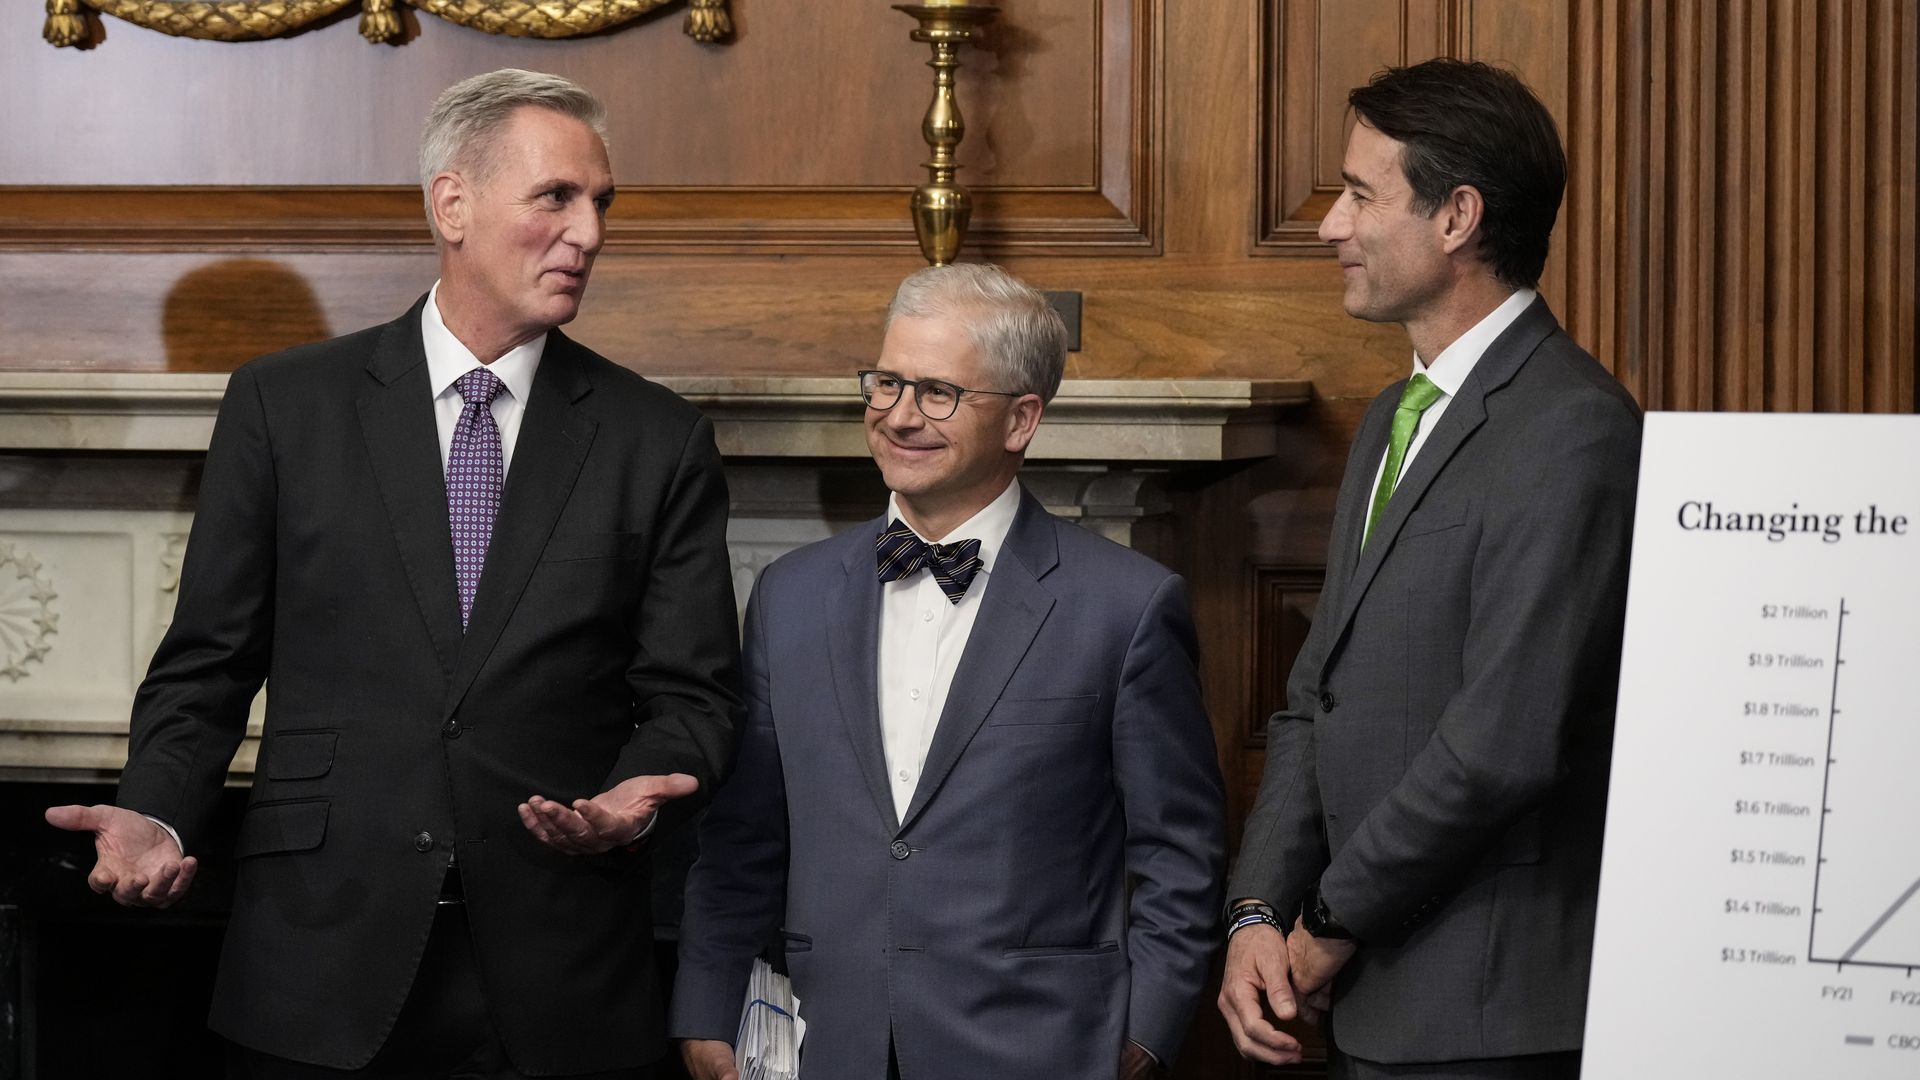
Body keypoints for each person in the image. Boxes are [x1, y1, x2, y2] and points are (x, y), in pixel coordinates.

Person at [45, 68, 742, 1079]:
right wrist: (157, 813)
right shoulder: (286, 407)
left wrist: (633, 791)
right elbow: (207, 663)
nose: (589, 233)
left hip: (557, 978)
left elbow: (694, 696)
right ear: (451, 202)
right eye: (556, 196)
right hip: (318, 965)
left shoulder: (658, 439)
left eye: (602, 204)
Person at [670, 263, 1227, 1080]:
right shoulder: (789, 595)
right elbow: (742, 835)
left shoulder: (1127, 606)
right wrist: (705, 1005)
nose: (899, 416)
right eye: (887, 383)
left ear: (1021, 418)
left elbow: (1180, 850)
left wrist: (1146, 1034)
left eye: (938, 393)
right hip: (827, 1045)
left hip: (1044, 1048)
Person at [1216, 59, 1641, 1080]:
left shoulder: (1575, 429)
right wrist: (1257, 914)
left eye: (1361, 195)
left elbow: (1503, 742)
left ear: (1457, 217)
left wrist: (1324, 927)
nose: (1328, 226)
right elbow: (1315, 696)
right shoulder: (1389, 420)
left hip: (1486, 1019)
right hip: (1370, 1003)